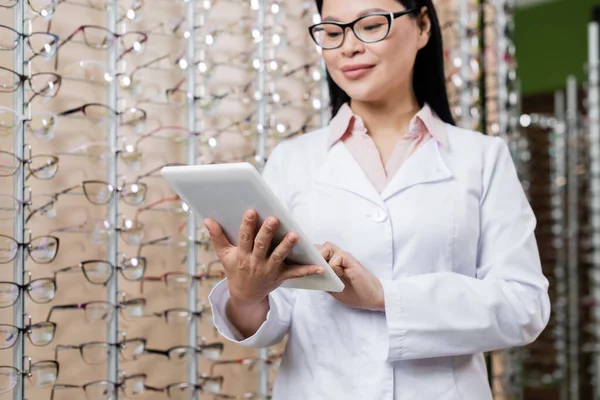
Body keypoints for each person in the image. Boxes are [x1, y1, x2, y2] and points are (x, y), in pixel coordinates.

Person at [204, 0, 551, 398]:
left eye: (370, 25)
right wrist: (247, 294)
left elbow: (524, 307)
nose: (348, 47)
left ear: (422, 27)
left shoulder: (482, 158)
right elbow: (276, 317)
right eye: (333, 32)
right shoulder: (292, 161)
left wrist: (385, 297)